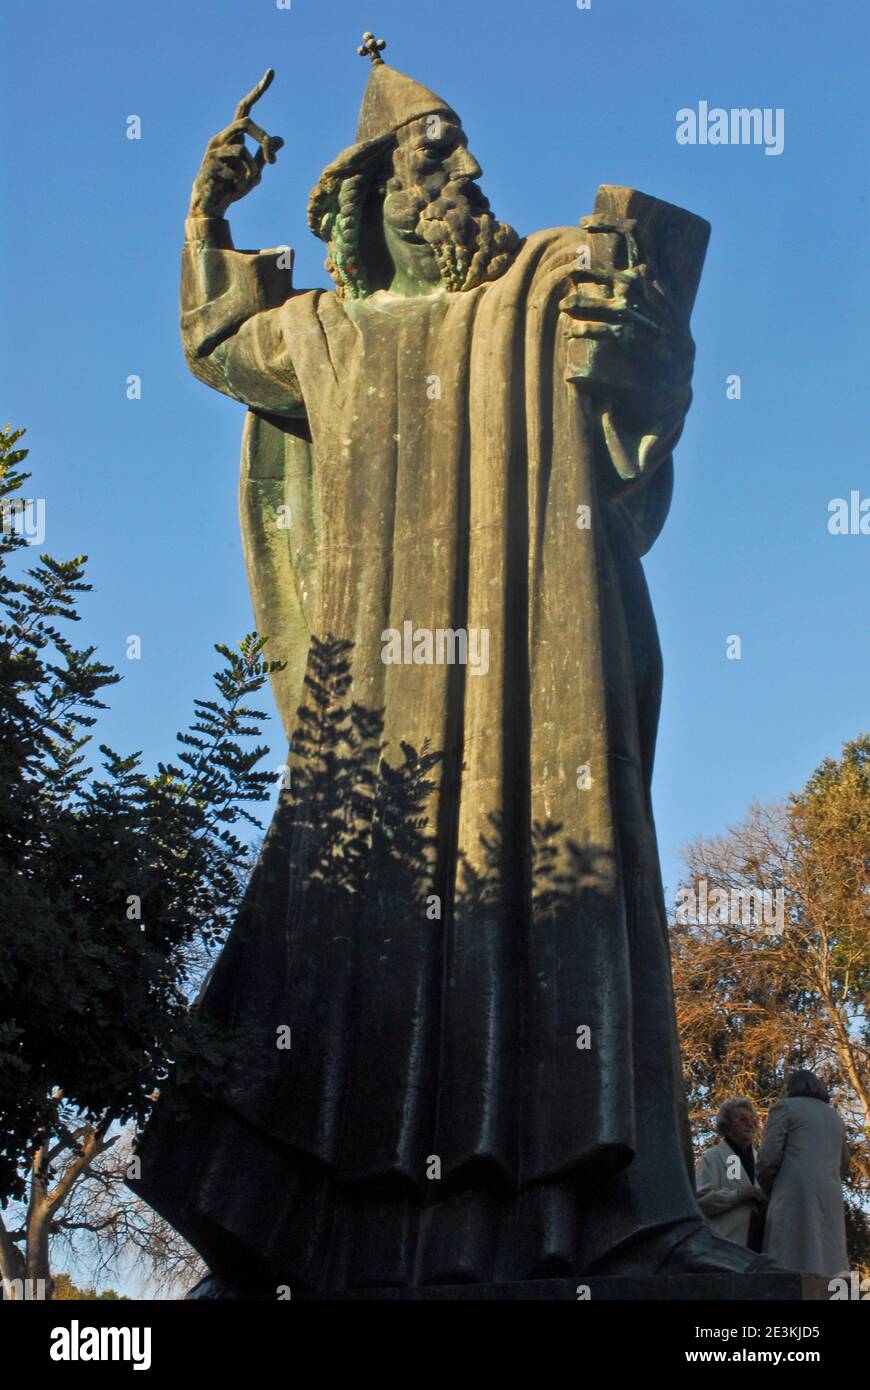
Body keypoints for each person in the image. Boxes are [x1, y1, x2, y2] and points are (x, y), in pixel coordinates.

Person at [756, 1070, 851, 1277]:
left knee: (789, 1254)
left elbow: (768, 1157)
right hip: (830, 1193)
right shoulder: (834, 1117)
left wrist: (767, 1188)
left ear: (791, 1087)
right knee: (828, 1257)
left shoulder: (785, 1108)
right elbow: (844, 1162)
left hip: (793, 1191)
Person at [695, 1099, 765, 1249]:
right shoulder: (713, 1157)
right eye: (742, 1119)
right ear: (727, 1126)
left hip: (760, 1248)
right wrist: (737, 1195)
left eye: (752, 1119)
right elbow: (700, 1202)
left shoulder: (760, 1160)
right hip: (726, 1247)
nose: (750, 1123)